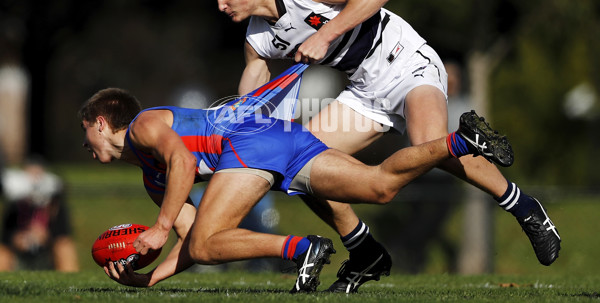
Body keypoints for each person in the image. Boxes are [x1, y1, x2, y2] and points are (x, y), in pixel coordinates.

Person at [202, 0, 561, 290]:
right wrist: (234, 129)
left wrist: (324, 36)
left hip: (405, 62)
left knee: (431, 146)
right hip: (363, 91)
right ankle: (362, 248)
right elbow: (252, 93)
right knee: (298, 162)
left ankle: (523, 205)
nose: (220, 5)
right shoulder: (258, 38)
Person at [79, 87, 512, 292]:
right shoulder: (152, 177)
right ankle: (459, 141)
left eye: (87, 135)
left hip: (249, 143)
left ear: (102, 123)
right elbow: (193, 240)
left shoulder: (143, 126)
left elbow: (184, 161)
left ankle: (301, 249)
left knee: (212, 243)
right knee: (379, 186)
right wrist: (148, 278)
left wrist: (157, 227)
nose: (85, 145)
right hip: (278, 136)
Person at [0, 155, 79, 272]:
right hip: (21, 245)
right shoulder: (15, 205)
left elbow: (63, 233)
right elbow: (6, 234)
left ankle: (70, 284)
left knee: (64, 248)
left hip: (48, 246)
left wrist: (46, 236)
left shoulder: (55, 205)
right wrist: (16, 238)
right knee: (2, 253)